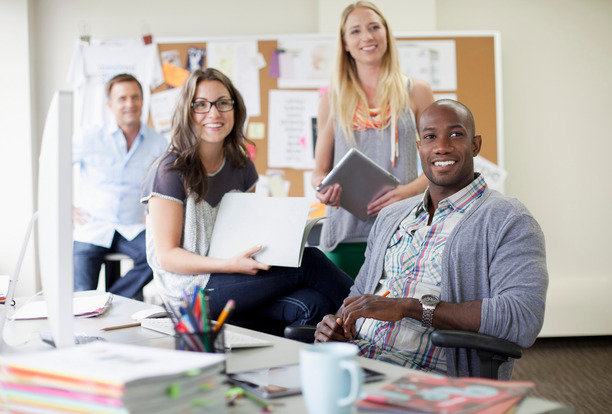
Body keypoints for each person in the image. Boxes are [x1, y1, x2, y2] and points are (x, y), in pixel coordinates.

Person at [314, 100, 548, 380]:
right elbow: (360, 293)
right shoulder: (391, 216)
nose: (441, 147)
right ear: (419, 148)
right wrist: (336, 324)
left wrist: (409, 307)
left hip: (425, 378)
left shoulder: (508, 220)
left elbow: (522, 317)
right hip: (356, 362)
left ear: (475, 145)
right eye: (430, 137)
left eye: (455, 134)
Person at [141, 68, 353, 331]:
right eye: (201, 105)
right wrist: (228, 264)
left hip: (233, 278)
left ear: (234, 108)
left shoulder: (241, 166)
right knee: (310, 260)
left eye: (222, 103)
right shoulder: (170, 170)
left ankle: (280, 367)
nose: (214, 113)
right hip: (190, 291)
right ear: (187, 111)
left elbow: (245, 233)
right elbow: (168, 257)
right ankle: (374, 319)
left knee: (315, 305)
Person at [312, 1, 435, 278]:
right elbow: (319, 172)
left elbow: (438, 164)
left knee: (398, 319)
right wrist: (322, 189)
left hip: (402, 232)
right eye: (355, 31)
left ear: (386, 34)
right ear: (345, 43)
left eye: (374, 27)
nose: (366, 36)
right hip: (344, 236)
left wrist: (407, 192)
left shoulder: (417, 92)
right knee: (343, 319)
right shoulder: (331, 99)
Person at [73, 73, 168, 299]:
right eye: (122, 98)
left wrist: (155, 215)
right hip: (92, 226)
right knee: (79, 297)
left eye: (135, 97)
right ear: (110, 104)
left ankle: (112, 301)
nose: (130, 104)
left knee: (159, 255)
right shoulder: (89, 137)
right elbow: (51, 163)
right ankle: (93, 308)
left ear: (143, 101)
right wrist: (65, 207)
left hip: (132, 226)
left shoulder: (158, 143)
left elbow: (165, 186)